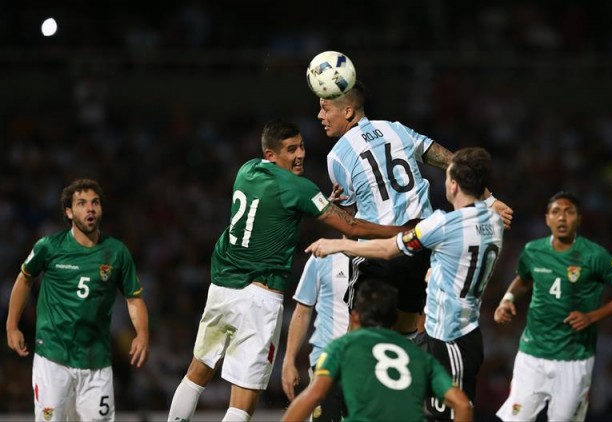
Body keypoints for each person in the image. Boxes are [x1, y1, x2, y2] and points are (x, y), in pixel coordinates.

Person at [167, 119, 414, 422]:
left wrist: (323, 203)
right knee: (243, 398)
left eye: (301, 146)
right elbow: (351, 225)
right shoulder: (299, 188)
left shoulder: (247, 171)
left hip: (222, 289)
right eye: (291, 149)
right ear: (272, 155)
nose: (300, 154)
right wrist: (402, 231)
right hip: (260, 297)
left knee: (197, 373)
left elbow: (279, 210)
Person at [306, 146, 504, 421]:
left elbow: (388, 250)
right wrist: (437, 272)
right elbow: (466, 258)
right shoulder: (494, 221)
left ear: (454, 184)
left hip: (449, 335)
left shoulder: (442, 225)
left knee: (450, 413)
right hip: (460, 331)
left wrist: (340, 245)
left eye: (447, 177)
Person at [317, 80, 513, 336]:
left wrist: (339, 222)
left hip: (379, 254)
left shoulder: (337, 157)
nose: (320, 116)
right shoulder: (396, 130)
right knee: (409, 337)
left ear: (348, 112)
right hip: (420, 248)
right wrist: (488, 198)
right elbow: (449, 160)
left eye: (325, 108)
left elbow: (353, 227)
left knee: (359, 340)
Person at [5, 178, 149, 421]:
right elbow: (24, 279)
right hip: (53, 358)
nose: (90, 208)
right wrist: (12, 325)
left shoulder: (116, 252)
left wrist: (142, 333)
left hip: (96, 361)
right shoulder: (49, 247)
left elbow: (134, 298)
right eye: (81, 203)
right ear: (69, 212)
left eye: (95, 203)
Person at [493, 191, 612, 422]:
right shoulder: (533, 250)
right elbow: (523, 279)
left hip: (575, 358)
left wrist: (592, 316)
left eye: (569, 212)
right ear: (547, 218)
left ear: (579, 219)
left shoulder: (595, 255)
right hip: (532, 354)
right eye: (556, 212)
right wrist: (507, 299)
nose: (562, 218)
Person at [281, 279, 473, 422]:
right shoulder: (419, 355)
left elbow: (314, 395)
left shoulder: (343, 346)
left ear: (355, 317)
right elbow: (463, 404)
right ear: (394, 318)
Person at [281, 251, 350, 422]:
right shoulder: (322, 257)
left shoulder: (379, 255)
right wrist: (289, 361)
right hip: (326, 359)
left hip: (365, 362)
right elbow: (302, 311)